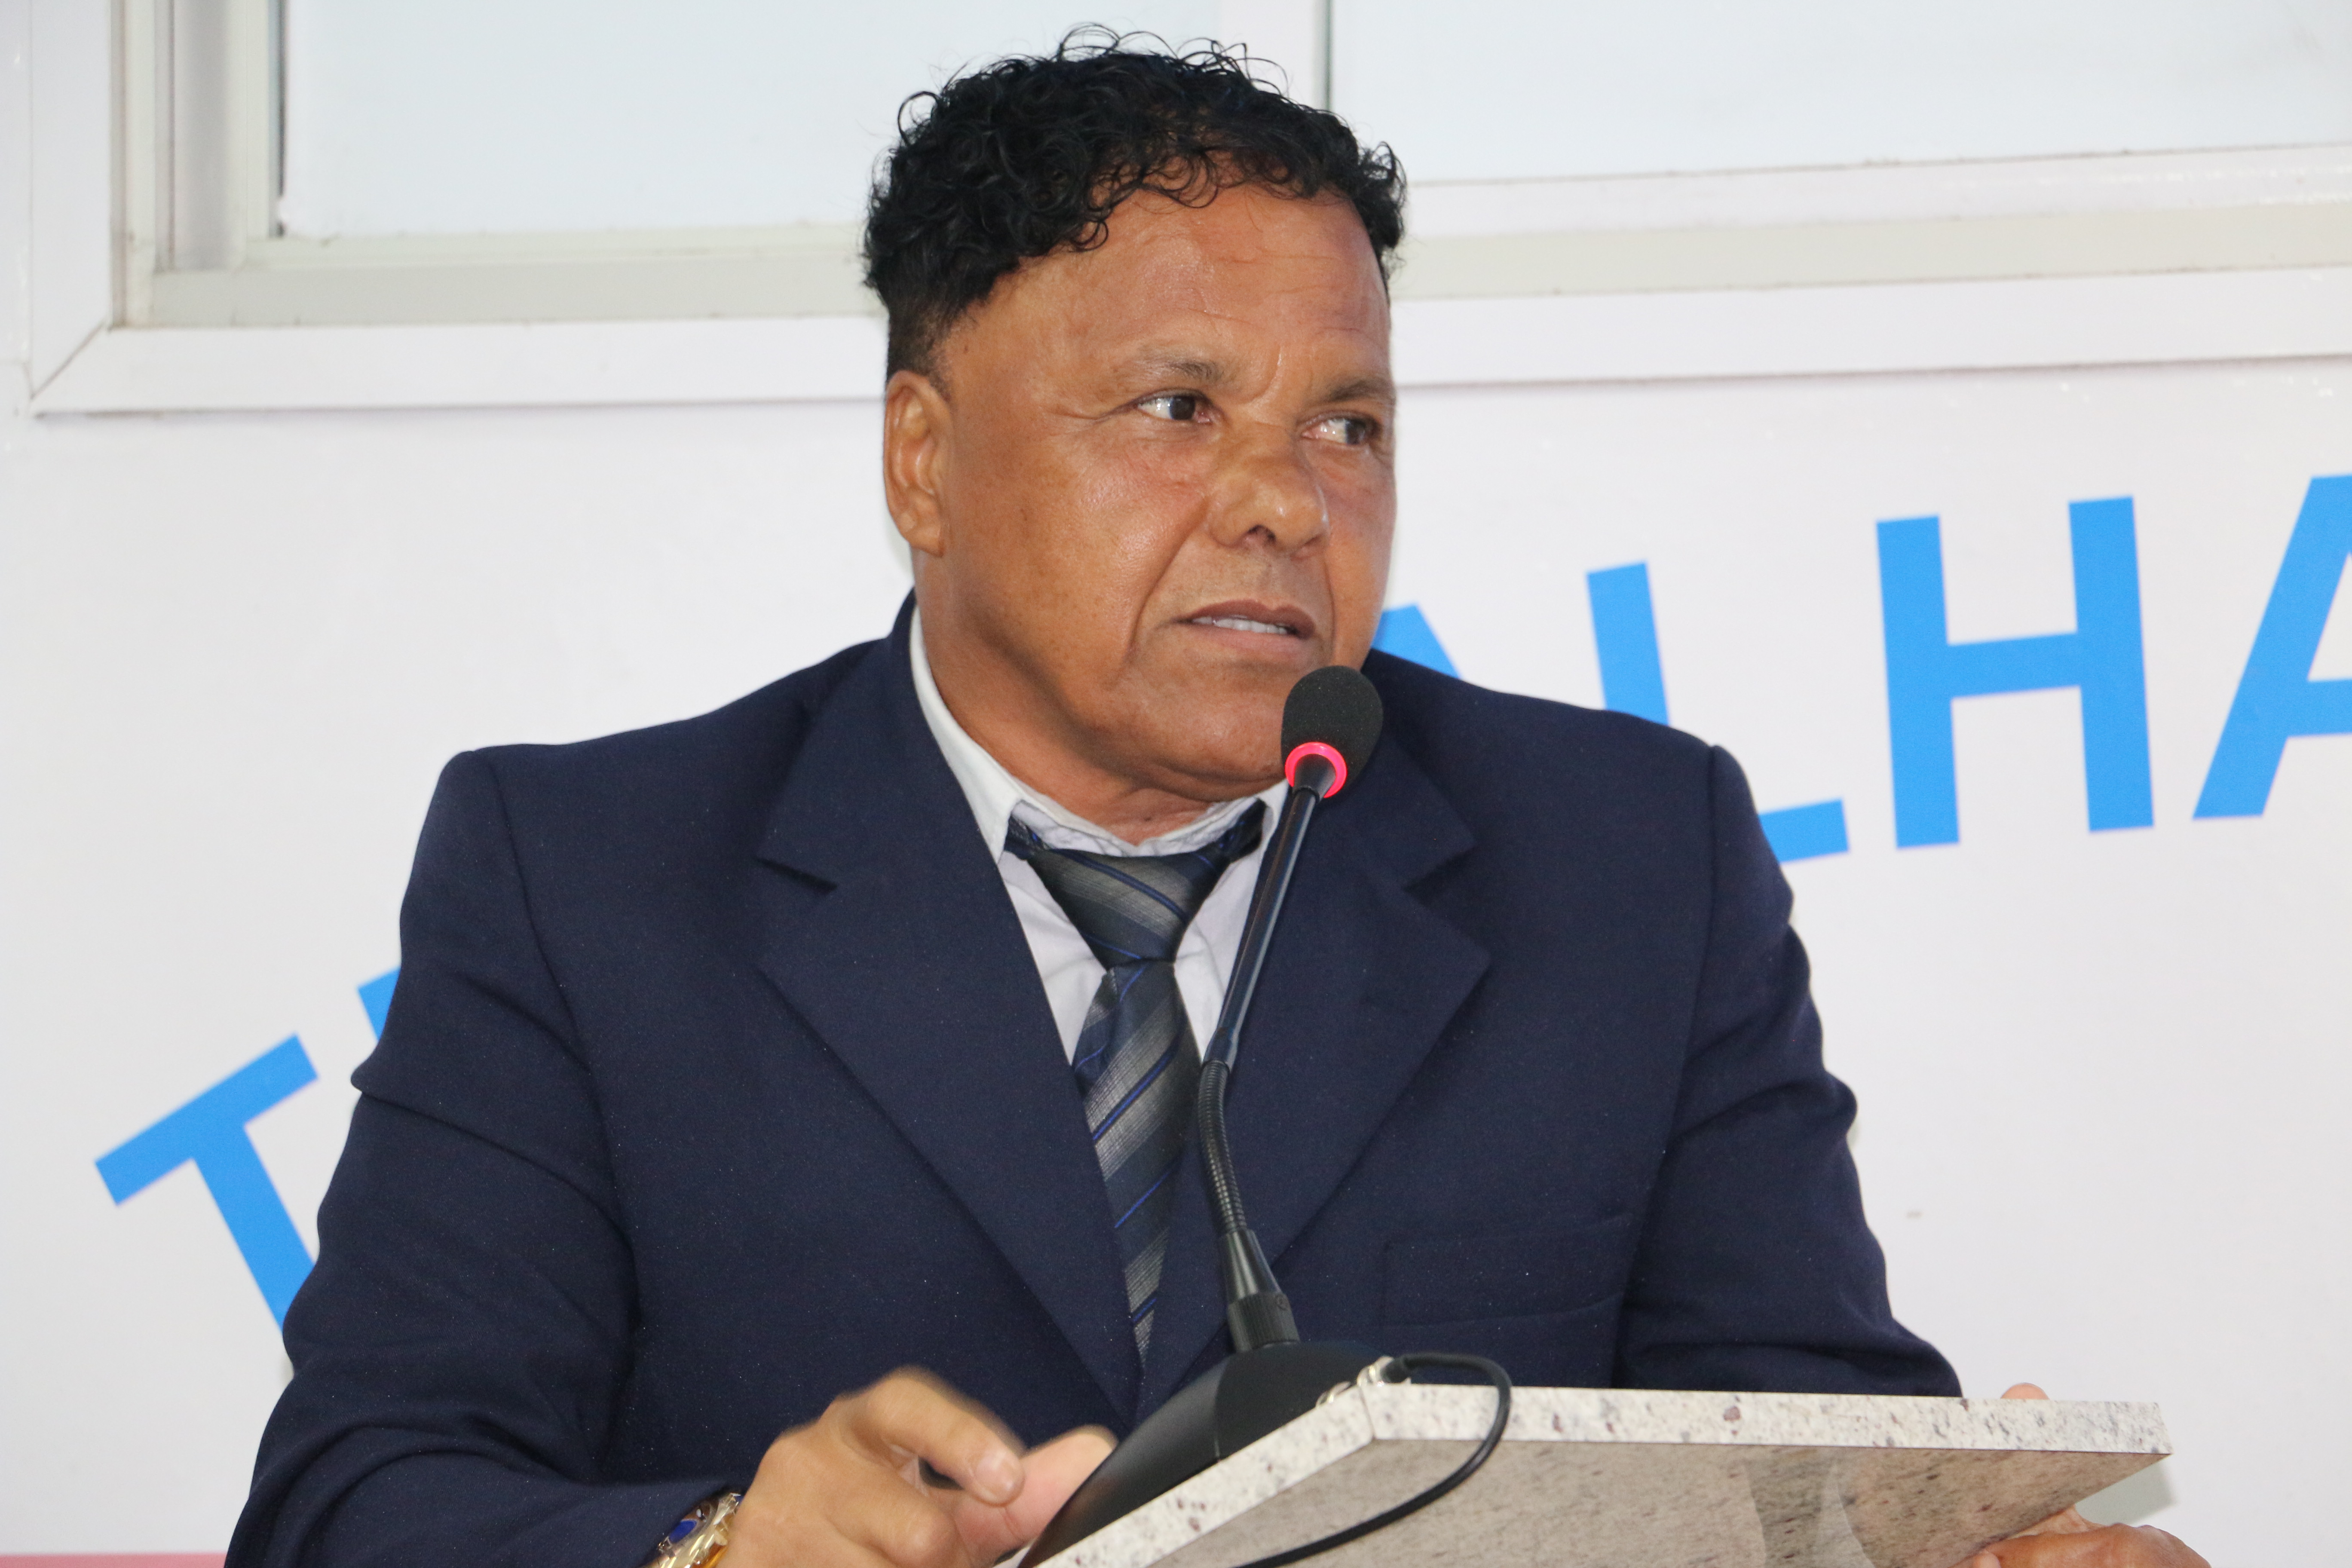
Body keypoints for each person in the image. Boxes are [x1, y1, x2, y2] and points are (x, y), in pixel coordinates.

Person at [227, 38, 2205, 1568]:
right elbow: (355, 1507)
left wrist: (1973, 1550)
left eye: (1347, 424)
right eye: (1180, 410)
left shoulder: (1627, 860)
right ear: (923, 463)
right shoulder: (590, 882)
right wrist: (722, 1548)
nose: (1286, 501)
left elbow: (1805, 1461)